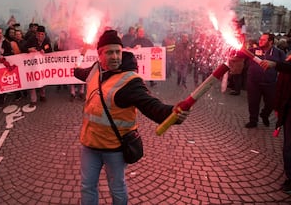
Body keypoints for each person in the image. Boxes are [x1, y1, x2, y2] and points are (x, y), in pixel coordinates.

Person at [74, 30, 189, 204]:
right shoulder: (95, 69)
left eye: (118, 52)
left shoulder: (130, 81)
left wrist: (172, 112)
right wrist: (77, 65)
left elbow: (151, 105)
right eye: (109, 52)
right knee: (87, 186)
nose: (115, 57)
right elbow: (82, 74)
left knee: (117, 188)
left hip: (114, 149)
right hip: (89, 145)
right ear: (99, 55)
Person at [260, 55, 291, 193]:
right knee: (288, 146)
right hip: (287, 106)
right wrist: (279, 106)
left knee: (289, 148)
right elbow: (283, 83)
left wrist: (274, 64)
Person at [242, 33, 285, 128]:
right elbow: (241, 54)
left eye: (263, 39)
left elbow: (284, 66)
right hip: (253, 82)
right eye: (260, 39)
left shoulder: (279, 53)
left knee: (271, 103)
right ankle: (253, 120)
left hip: (270, 83)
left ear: (270, 42)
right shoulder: (254, 50)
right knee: (253, 102)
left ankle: (265, 114)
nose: (260, 41)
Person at [26, 25, 52, 106]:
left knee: (42, 80)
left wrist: (45, 50)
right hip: (32, 64)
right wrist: (29, 49)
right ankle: (33, 100)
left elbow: (49, 48)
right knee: (32, 80)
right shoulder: (31, 39)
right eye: (39, 34)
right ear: (36, 33)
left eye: (42, 34)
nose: (40, 36)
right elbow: (23, 47)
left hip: (42, 65)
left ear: (44, 34)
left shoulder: (47, 39)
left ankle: (42, 95)